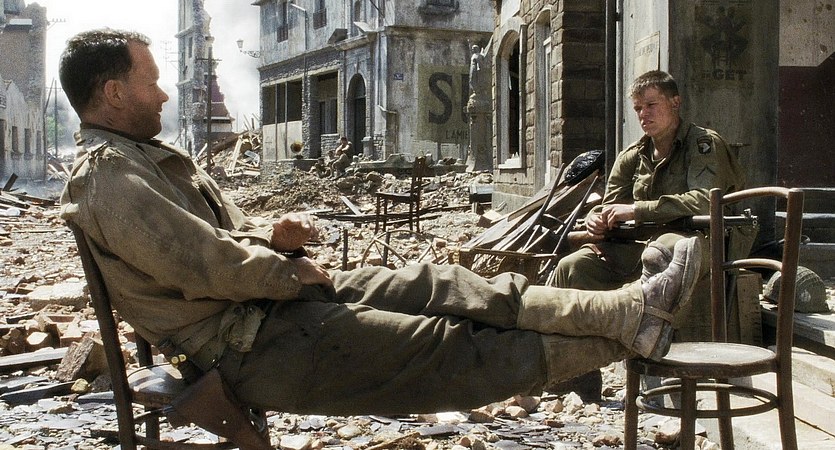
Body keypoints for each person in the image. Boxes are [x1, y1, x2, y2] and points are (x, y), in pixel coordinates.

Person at [59, 28, 702, 416]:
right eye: (150, 82)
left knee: (442, 283)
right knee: (442, 347)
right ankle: (629, 334)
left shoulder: (140, 158)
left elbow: (217, 243)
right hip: (244, 342)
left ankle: (625, 310)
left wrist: (271, 239)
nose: (163, 93)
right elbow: (198, 262)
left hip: (269, 306)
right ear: (113, 93)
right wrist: (282, 272)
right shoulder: (108, 175)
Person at [551, 70, 748, 397]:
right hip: (637, 245)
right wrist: (596, 219)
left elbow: (704, 199)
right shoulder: (633, 155)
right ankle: (574, 378)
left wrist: (638, 210)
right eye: (638, 108)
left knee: (662, 253)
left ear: (675, 103)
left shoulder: (703, 145)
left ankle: (662, 376)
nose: (644, 114)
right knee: (572, 268)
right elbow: (610, 203)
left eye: (651, 105)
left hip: (693, 241)